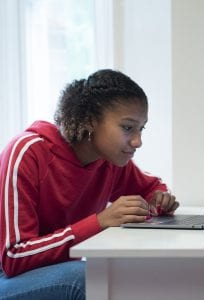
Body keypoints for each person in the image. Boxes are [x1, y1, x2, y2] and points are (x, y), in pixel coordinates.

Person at [0, 69, 179, 299]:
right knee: (87, 280)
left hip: (51, 272)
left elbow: (151, 187)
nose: (137, 141)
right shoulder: (27, 152)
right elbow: (13, 257)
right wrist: (100, 221)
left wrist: (159, 198)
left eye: (141, 129)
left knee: (127, 274)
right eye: (127, 128)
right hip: (7, 276)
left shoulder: (109, 161)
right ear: (90, 121)